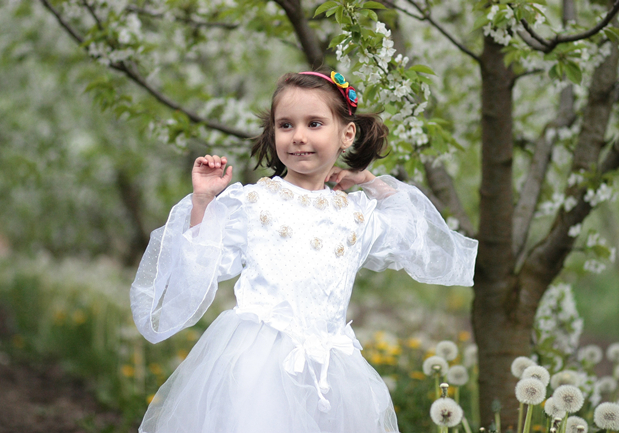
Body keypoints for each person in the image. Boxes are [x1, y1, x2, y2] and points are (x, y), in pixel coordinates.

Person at [130, 70, 478, 433]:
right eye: (285, 125)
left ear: (346, 134)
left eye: (314, 123)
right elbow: (201, 262)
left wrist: (369, 181)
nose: (298, 136)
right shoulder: (253, 202)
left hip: (330, 371)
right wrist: (203, 200)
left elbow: (412, 232)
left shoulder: (353, 214)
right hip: (256, 368)